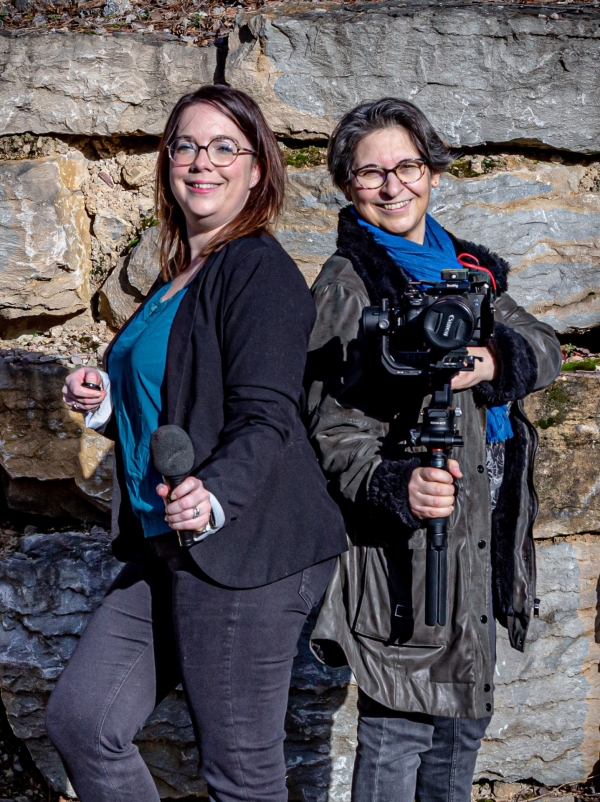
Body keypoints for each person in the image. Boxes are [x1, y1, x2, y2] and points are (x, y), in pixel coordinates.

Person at [45, 85, 347, 802]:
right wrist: (109, 402)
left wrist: (216, 495)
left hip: (248, 549)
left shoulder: (259, 272)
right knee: (84, 721)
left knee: (240, 776)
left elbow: (268, 414)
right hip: (168, 547)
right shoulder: (180, 274)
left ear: (256, 169)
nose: (201, 162)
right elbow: (183, 392)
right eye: (185, 145)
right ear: (167, 162)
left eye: (223, 148)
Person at [305, 98, 562, 802]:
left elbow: (545, 347)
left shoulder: (469, 274)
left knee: (459, 739)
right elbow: (330, 430)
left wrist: (492, 360)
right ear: (347, 185)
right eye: (371, 173)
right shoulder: (349, 286)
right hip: (406, 561)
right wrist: (398, 483)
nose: (393, 186)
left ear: (434, 172)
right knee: (398, 736)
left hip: (480, 545)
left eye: (408, 166)